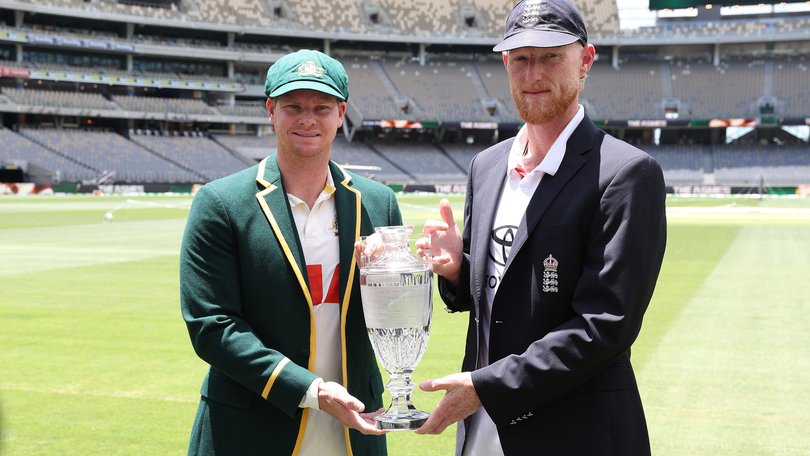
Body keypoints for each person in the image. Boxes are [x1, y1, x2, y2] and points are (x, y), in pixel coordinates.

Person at [415, 0, 667, 454]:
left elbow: (604, 325)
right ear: (504, 63)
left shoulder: (627, 173)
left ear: (586, 60)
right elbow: (500, 297)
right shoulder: (486, 166)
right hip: (483, 436)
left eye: (551, 56)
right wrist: (458, 269)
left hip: (576, 434)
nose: (534, 75)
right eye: (521, 59)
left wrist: (488, 387)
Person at [180, 49, 401, 456]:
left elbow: (397, 316)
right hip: (251, 430)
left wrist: (410, 275)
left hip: (355, 428)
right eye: (293, 106)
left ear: (340, 114)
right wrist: (310, 390)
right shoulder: (220, 203)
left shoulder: (378, 202)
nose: (307, 119)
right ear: (271, 110)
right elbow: (212, 327)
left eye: (321, 107)